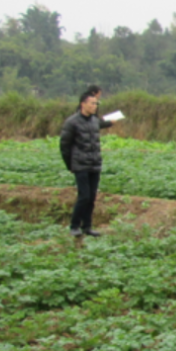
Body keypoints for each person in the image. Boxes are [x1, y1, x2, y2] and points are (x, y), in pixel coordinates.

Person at [59, 85, 113, 237]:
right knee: (84, 196)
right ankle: (74, 226)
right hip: (80, 164)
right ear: (83, 104)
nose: (95, 106)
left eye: (96, 104)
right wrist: (70, 165)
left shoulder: (94, 121)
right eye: (92, 103)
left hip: (94, 164)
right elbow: (64, 145)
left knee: (92, 197)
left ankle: (87, 227)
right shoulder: (72, 122)